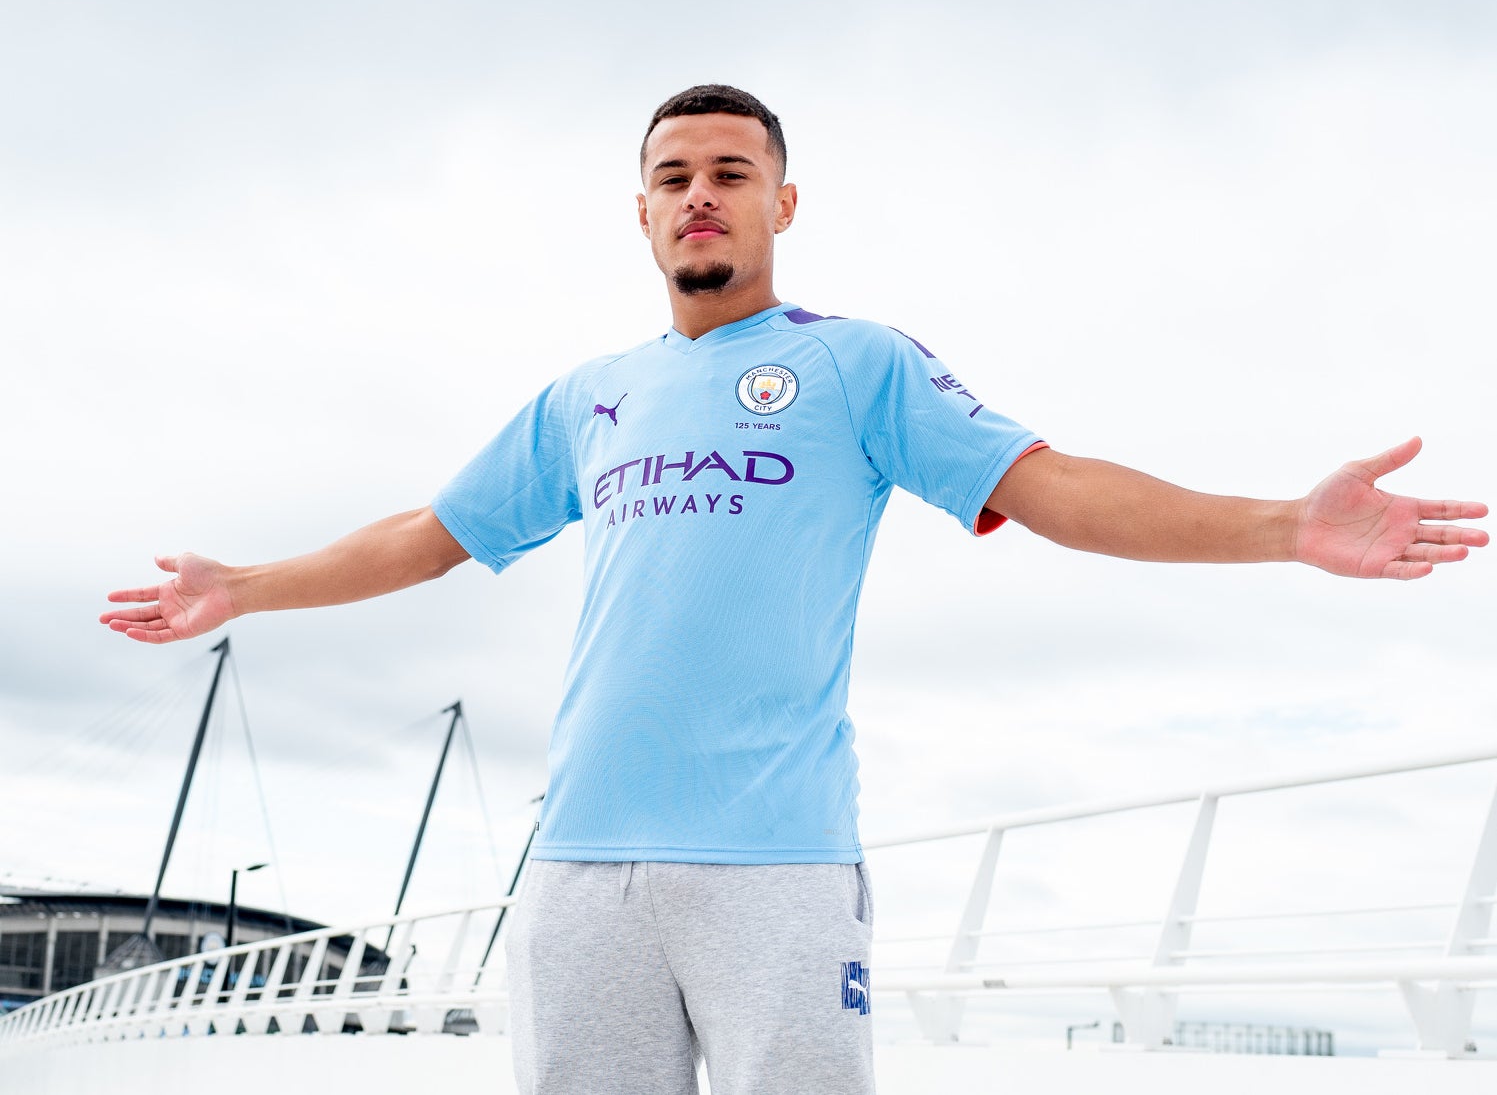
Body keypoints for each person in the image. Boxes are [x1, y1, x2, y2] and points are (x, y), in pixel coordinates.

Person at [101, 84, 1487, 1094]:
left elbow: (1053, 486)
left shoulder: (856, 366)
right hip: (583, 863)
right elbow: (433, 534)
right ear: (639, 210)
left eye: (729, 171)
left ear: (781, 201)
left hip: (775, 860)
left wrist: (1278, 528)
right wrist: (246, 585)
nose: (698, 193)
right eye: (672, 175)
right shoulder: (589, 397)